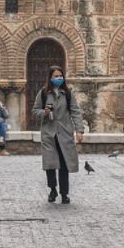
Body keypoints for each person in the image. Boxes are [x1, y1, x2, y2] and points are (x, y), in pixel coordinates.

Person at [32, 65, 84, 204]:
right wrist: (44, 112)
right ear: (50, 77)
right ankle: (52, 189)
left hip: (64, 133)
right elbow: (35, 110)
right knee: (50, 163)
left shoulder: (67, 93)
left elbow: (75, 112)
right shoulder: (43, 93)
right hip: (49, 133)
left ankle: (64, 193)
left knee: (64, 164)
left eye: (60, 76)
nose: (58, 78)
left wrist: (79, 130)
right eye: (55, 76)